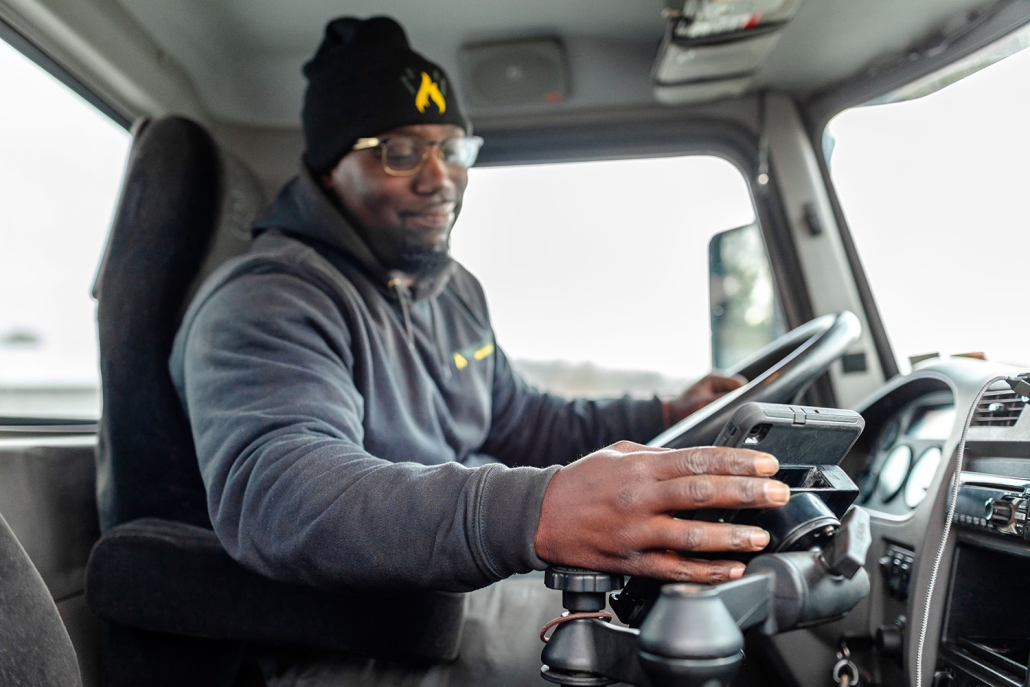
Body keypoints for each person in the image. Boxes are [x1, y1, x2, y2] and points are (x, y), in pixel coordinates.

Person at [169, 15, 789, 686]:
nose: (440, 178)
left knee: (695, 623)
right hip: (347, 634)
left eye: (453, 150)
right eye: (400, 152)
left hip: (458, 592)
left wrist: (667, 409)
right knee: (652, 657)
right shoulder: (267, 300)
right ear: (328, 168)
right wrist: (539, 510)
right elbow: (283, 492)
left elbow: (519, 419)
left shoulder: (452, 288)